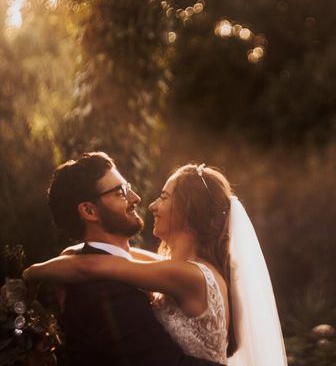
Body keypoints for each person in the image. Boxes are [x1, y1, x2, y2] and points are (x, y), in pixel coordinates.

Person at [25, 152, 287, 366]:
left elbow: (97, 265)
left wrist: (31, 273)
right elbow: (125, 259)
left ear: (187, 212)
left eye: (163, 197)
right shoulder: (175, 269)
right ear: (89, 210)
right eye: (121, 191)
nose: (144, 202)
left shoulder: (188, 275)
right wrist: (69, 254)